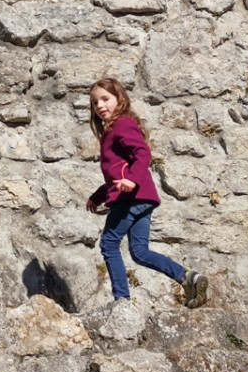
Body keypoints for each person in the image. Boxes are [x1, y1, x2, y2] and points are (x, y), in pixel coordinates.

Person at [85, 77, 208, 309]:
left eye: (105, 99)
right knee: (140, 252)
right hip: (141, 197)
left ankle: (122, 301)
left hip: (130, 199)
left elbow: (142, 154)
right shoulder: (112, 131)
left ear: (120, 99)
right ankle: (188, 277)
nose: (100, 106)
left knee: (109, 245)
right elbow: (116, 177)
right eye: (94, 103)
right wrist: (98, 196)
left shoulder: (122, 124)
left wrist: (131, 180)